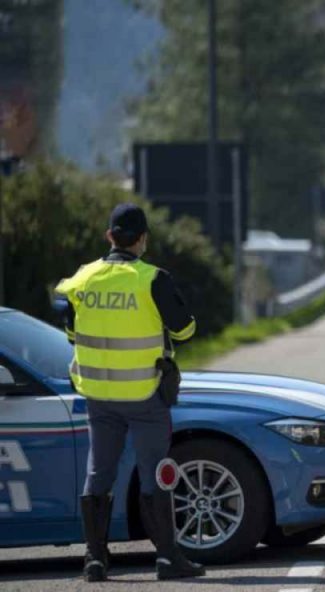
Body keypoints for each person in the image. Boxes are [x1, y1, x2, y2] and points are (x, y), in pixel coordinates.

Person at [55, 203, 205, 582]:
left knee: (98, 472)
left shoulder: (83, 279)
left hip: (98, 395)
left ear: (109, 236)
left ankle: (95, 559)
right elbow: (185, 330)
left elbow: (73, 334)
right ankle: (169, 558)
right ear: (142, 239)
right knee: (156, 472)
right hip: (144, 395)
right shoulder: (152, 279)